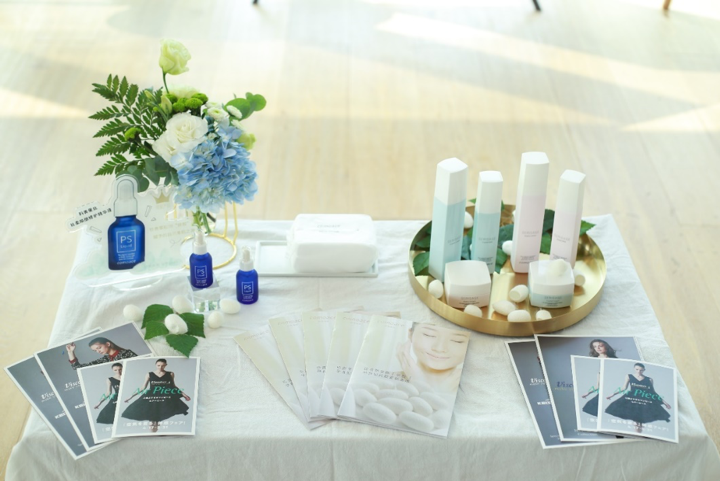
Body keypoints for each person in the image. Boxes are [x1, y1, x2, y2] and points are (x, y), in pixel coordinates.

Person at [395, 323, 470, 393]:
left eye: (457, 340)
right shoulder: (391, 382)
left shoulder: (469, 391)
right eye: (429, 335)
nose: (439, 348)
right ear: (410, 334)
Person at [121, 359, 191, 433]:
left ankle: (155, 433)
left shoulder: (170, 374)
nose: (160, 367)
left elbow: (173, 386)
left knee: (158, 418)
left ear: (166, 365)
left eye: (163, 366)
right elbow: (143, 388)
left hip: (165, 396)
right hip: (152, 396)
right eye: (158, 365)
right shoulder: (149, 374)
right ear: (155, 365)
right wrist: (130, 397)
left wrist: (184, 395)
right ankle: (152, 433)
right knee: (152, 419)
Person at [605, 362, 671, 433]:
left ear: (644, 370)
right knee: (636, 421)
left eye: (641, 370)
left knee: (640, 421)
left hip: (644, 399)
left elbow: (653, 392)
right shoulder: (629, 376)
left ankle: (639, 433)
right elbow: (623, 388)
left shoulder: (649, 379)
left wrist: (665, 402)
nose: (639, 371)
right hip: (631, 398)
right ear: (634, 369)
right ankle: (636, 433)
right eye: (637, 369)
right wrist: (612, 394)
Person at [581, 339, 619, 416]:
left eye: (600, 346)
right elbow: (598, 385)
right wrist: (587, 393)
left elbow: (616, 378)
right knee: (592, 408)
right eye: (595, 347)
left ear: (606, 346)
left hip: (611, 389)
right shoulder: (594, 361)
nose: (598, 348)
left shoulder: (615, 361)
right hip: (603, 391)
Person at [66, 337, 137, 370]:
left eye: (99, 348)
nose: (98, 351)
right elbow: (77, 368)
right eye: (95, 350)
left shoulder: (127, 353)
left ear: (108, 344)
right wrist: (70, 352)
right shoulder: (105, 359)